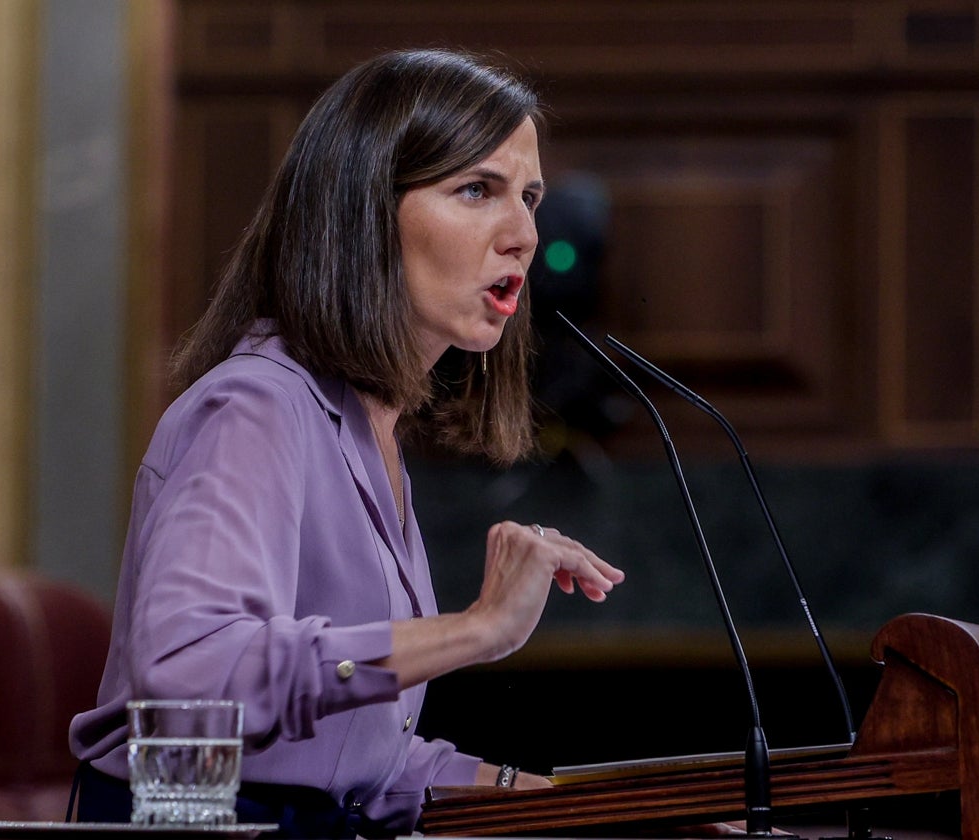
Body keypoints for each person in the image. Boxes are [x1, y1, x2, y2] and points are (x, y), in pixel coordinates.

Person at [67, 47, 625, 838]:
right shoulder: (257, 405)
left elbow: (365, 772)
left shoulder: (368, 432)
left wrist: (614, 813)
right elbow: (189, 675)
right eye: (477, 190)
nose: (524, 235)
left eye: (529, 197)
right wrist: (473, 629)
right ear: (362, 210)